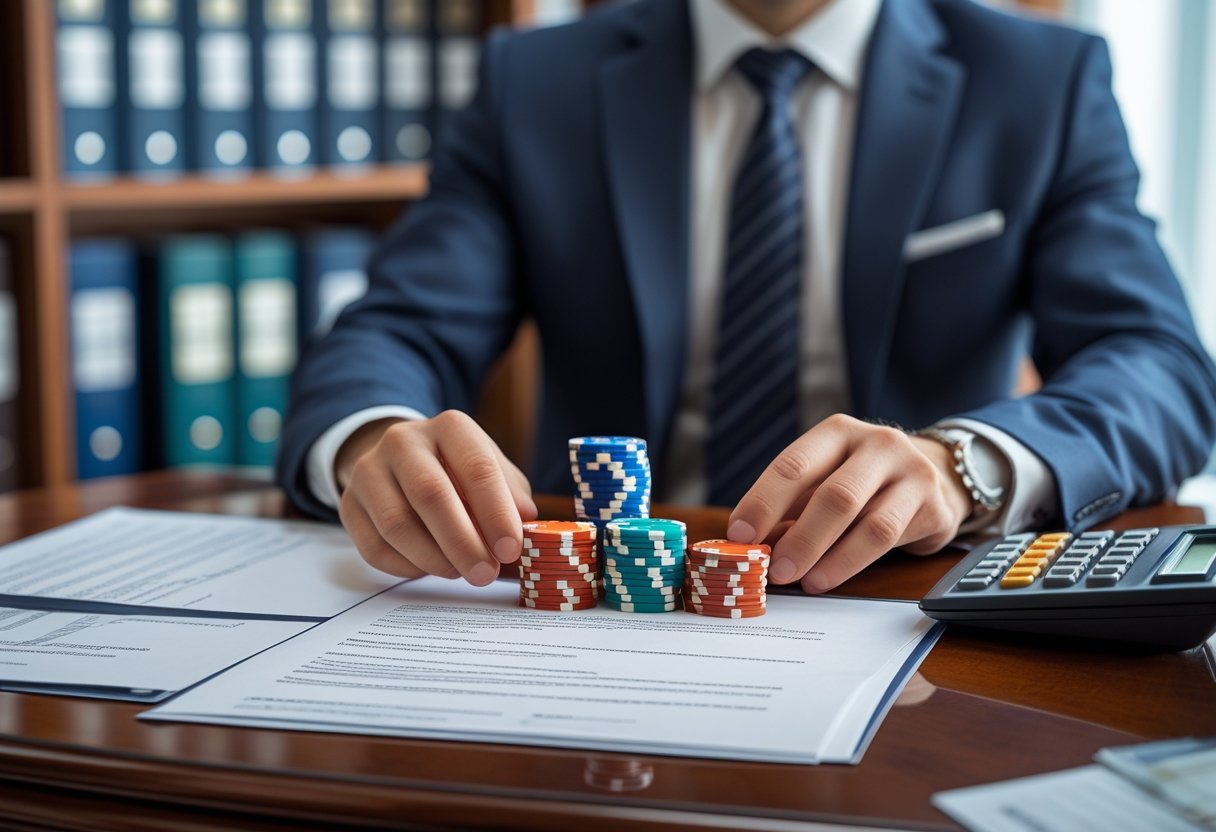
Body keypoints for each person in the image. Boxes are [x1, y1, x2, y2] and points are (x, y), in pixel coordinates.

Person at [276, 0, 1216, 593]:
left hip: (901, 601)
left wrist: (960, 468)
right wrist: (368, 441)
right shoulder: (537, 81)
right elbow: (399, 326)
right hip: (598, 612)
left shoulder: (1040, 81)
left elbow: (1160, 368)